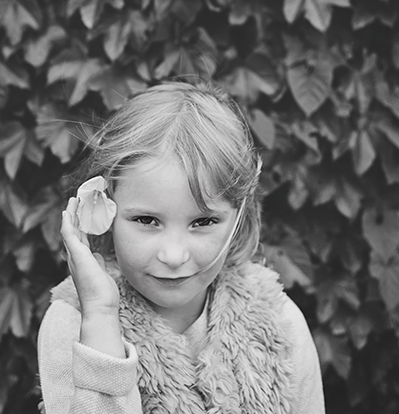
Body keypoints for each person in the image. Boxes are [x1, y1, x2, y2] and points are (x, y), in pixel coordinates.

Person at [37, 81, 325, 414]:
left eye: (203, 222)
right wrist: (100, 318)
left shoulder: (280, 323)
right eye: (146, 220)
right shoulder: (73, 323)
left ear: (239, 216)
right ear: (106, 206)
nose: (173, 256)